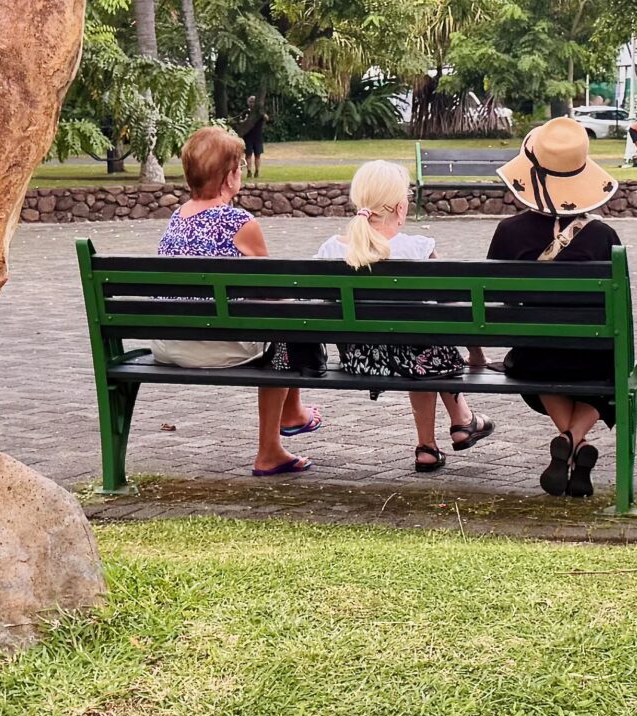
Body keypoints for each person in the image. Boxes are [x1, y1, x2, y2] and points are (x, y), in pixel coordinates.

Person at [152, 125, 320, 476]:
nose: (241, 172)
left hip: (169, 342)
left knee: (277, 322)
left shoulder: (177, 218)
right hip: (216, 346)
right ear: (229, 178)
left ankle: (293, 416)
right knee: (286, 324)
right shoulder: (239, 223)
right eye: (240, 166)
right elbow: (272, 288)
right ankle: (273, 444)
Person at [316, 160, 495, 473]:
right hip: (418, 358)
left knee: (420, 343)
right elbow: (454, 308)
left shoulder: (332, 248)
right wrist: (476, 352)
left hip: (360, 360)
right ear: (401, 207)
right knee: (426, 341)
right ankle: (462, 419)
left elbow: (311, 303)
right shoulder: (418, 248)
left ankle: (428, 447)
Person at [488, 116, 625, 498]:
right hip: (593, 357)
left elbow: (495, 297)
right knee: (606, 379)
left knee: (535, 359)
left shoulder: (508, 233)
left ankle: (568, 442)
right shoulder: (604, 236)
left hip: (535, 357)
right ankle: (574, 441)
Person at [237, 97, 267, 179]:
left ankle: (257, 171)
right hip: (248, 136)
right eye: (250, 102)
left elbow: (266, 118)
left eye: (254, 102)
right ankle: (249, 171)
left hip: (258, 136)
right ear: (248, 103)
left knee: (258, 155)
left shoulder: (259, 112)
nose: (252, 103)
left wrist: (262, 114)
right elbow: (240, 122)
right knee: (248, 155)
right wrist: (245, 120)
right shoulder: (245, 112)